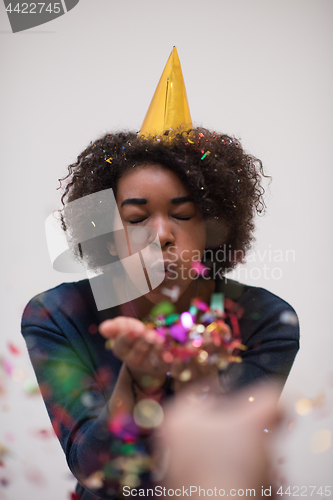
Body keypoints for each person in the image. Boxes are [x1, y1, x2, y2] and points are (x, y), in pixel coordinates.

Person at [21, 48, 299, 500]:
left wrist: (195, 379)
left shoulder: (264, 320)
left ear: (211, 228)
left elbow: (219, 469)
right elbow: (97, 471)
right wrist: (137, 378)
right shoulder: (57, 314)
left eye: (183, 215)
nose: (161, 236)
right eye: (136, 218)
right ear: (107, 234)